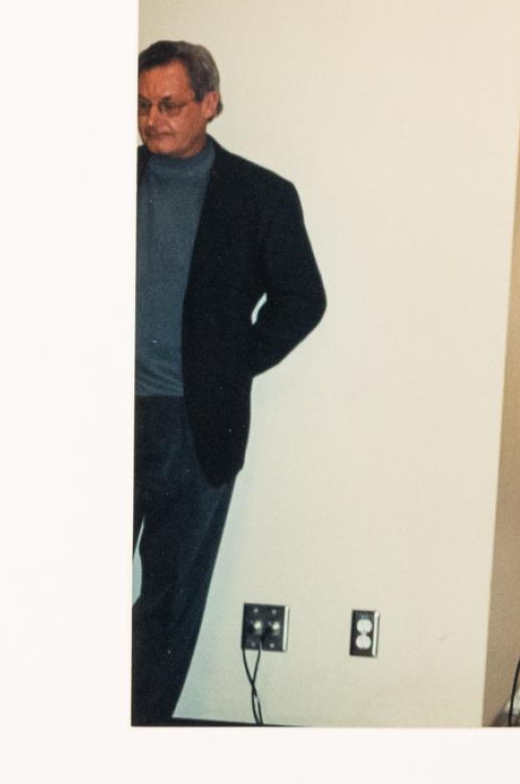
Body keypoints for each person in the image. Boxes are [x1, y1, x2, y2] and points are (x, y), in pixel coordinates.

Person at [134, 40, 326, 724]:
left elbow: (303, 299)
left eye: (170, 105)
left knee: (169, 598)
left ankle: (133, 733)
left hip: (196, 427)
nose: (153, 120)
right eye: (143, 105)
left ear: (209, 105)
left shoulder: (260, 197)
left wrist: (228, 364)